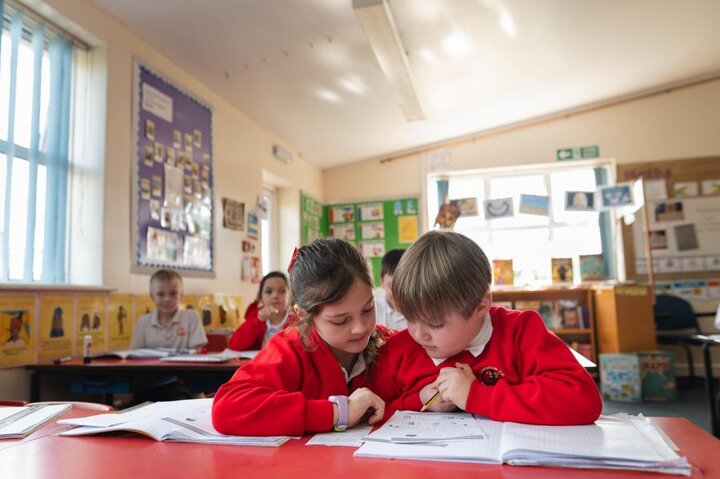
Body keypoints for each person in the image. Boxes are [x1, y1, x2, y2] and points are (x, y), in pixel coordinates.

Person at [365, 230, 602, 426]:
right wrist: (419, 400)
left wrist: (475, 395)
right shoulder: (399, 349)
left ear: (480, 305)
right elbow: (367, 411)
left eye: (435, 324)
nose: (418, 334)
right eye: (409, 318)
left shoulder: (520, 331)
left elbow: (583, 400)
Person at [212, 239, 391, 436]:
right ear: (302, 314)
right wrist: (339, 412)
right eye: (340, 320)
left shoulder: (388, 342)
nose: (360, 328)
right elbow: (227, 409)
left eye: (368, 308)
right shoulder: (290, 348)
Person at [131, 269, 207, 350]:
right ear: (152, 296)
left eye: (173, 293)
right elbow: (134, 353)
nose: (167, 299)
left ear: (181, 295)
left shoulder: (191, 317)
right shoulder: (143, 322)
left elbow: (196, 352)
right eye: (160, 294)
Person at [228, 271, 293, 351]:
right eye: (269, 292)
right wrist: (258, 321)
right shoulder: (255, 316)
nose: (275, 295)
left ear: (290, 296)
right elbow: (234, 344)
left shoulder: (297, 319)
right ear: (260, 298)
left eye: (282, 291)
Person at [374, 249, 407, 330]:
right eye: (391, 286)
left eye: (404, 286)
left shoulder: (422, 311)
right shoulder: (374, 311)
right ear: (382, 281)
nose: (398, 293)